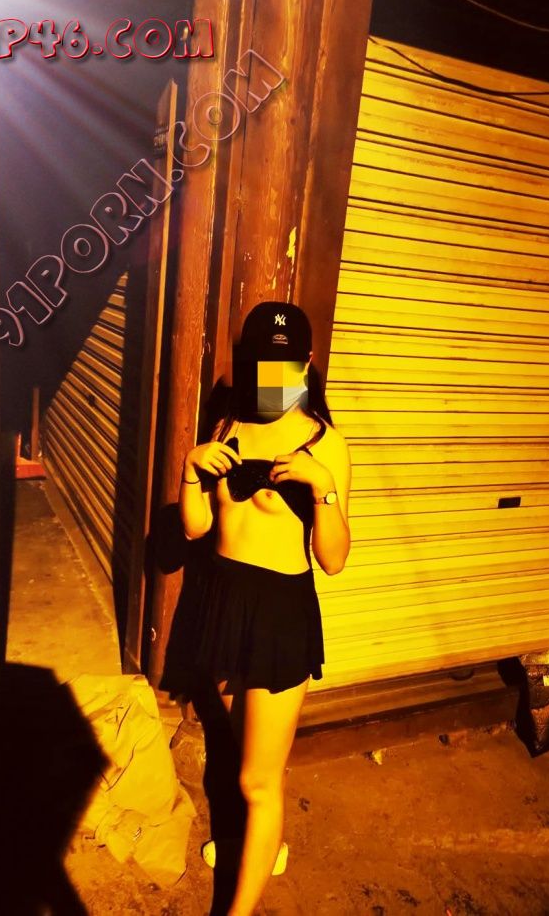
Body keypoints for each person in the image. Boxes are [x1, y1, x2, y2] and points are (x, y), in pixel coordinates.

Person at [178, 301, 351, 916]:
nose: (270, 378)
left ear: (307, 363)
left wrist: (322, 486)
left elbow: (334, 559)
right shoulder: (229, 421)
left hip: (279, 611)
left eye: (284, 365)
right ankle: (259, 838)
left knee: (257, 778)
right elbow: (196, 529)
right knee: (237, 744)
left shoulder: (325, 443)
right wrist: (191, 470)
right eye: (259, 363)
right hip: (223, 600)